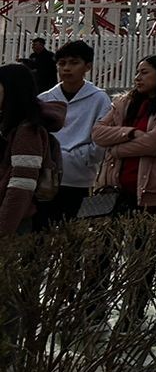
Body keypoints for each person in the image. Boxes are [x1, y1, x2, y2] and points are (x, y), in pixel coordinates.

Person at [92, 54, 156, 214]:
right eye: (137, 73)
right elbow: (97, 133)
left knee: (144, 238)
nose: (137, 78)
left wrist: (115, 150)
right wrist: (131, 132)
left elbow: (153, 144)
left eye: (144, 73)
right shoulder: (124, 102)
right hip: (113, 190)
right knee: (105, 238)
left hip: (151, 193)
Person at [33, 41, 113, 228]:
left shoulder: (99, 99)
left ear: (88, 66)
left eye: (74, 62)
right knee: (39, 238)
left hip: (79, 181)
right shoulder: (44, 99)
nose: (67, 68)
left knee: (74, 239)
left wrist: (77, 158)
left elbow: (101, 140)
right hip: (45, 182)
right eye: (62, 63)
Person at [1, 63, 58, 234]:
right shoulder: (8, 125)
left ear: (12, 90)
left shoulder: (26, 131)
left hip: (13, 222)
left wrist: (3, 228)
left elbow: (22, 185)